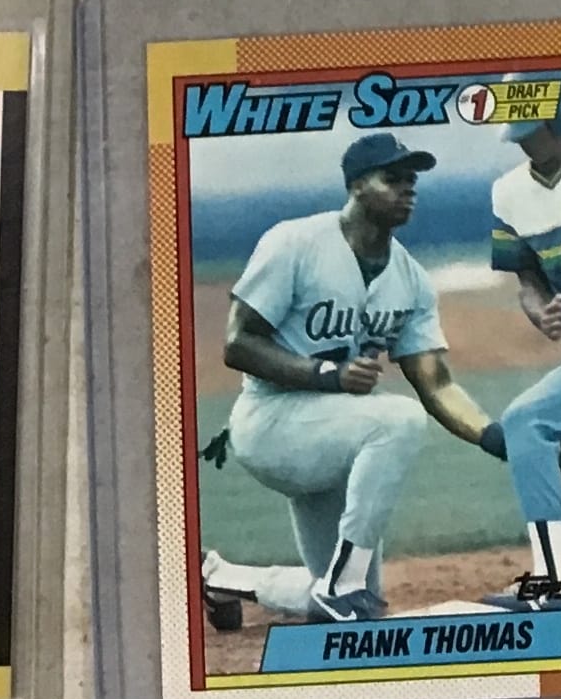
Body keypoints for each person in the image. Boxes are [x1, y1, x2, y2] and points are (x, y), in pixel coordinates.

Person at [199, 132, 508, 627]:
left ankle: (221, 576)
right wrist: (328, 375)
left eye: (412, 181)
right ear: (358, 185)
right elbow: (238, 343)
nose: (407, 189)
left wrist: (502, 440)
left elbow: (437, 384)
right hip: (271, 422)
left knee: (359, 604)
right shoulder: (295, 243)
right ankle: (341, 585)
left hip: (332, 437)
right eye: (393, 178)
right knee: (398, 418)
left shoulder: (410, 280)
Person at [486, 103, 561, 613]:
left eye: (534, 131)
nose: (525, 142)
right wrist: (541, 311)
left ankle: (551, 580)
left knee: (528, 422)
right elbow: (527, 280)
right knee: (537, 434)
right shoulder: (508, 193)